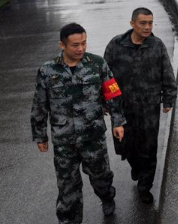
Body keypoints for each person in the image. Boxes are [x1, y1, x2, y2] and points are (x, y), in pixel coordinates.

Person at [31, 23, 126, 224]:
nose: (81, 48)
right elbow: (40, 104)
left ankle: (107, 196)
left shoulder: (97, 64)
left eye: (83, 43)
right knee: (67, 190)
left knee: (101, 179)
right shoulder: (47, 71)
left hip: (93, 139)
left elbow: (113, 94)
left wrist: (118, 122)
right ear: (62, 45)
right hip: (64, 142)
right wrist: (40, 135)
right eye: (75, 45)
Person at [103, 7, 177, 204]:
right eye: (143, 23)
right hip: (122, 108)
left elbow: (167, 74)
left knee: (149, 148)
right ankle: (136, 166)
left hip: (149, 108)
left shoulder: (157, 45)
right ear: (132, 23)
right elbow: (106, 76)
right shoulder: (116, 45)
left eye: (150, 23)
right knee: (125, 146)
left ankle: (145, 186)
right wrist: (105, 102)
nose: (147, 27)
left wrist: (168, 98)